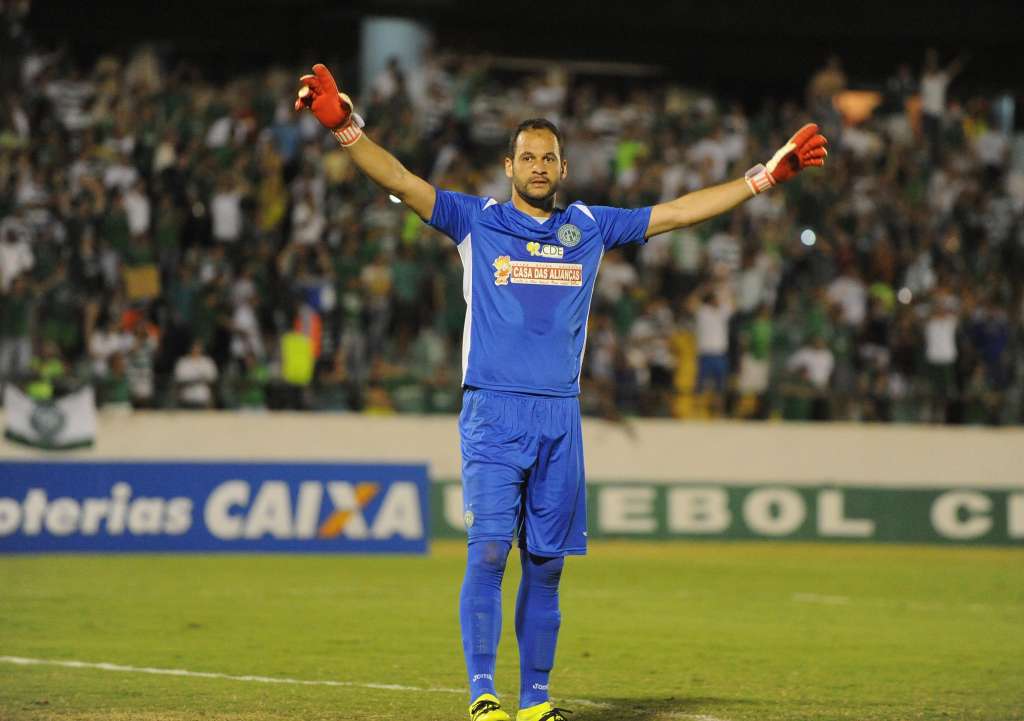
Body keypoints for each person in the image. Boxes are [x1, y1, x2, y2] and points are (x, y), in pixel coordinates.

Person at [295, 63, 827, 721]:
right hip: (491, 410)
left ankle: (536, 697)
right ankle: (483, 691)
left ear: (564, 168)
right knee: (490, 548)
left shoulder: (589, 228)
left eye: (549, 157)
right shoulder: (475, 221)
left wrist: (765, 176)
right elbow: (401, 179)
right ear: (508, 166)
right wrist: (345, 129)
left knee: (545, 564)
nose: (539, 166)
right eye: (528, 156)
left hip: (558, 418)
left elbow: (681, 212)